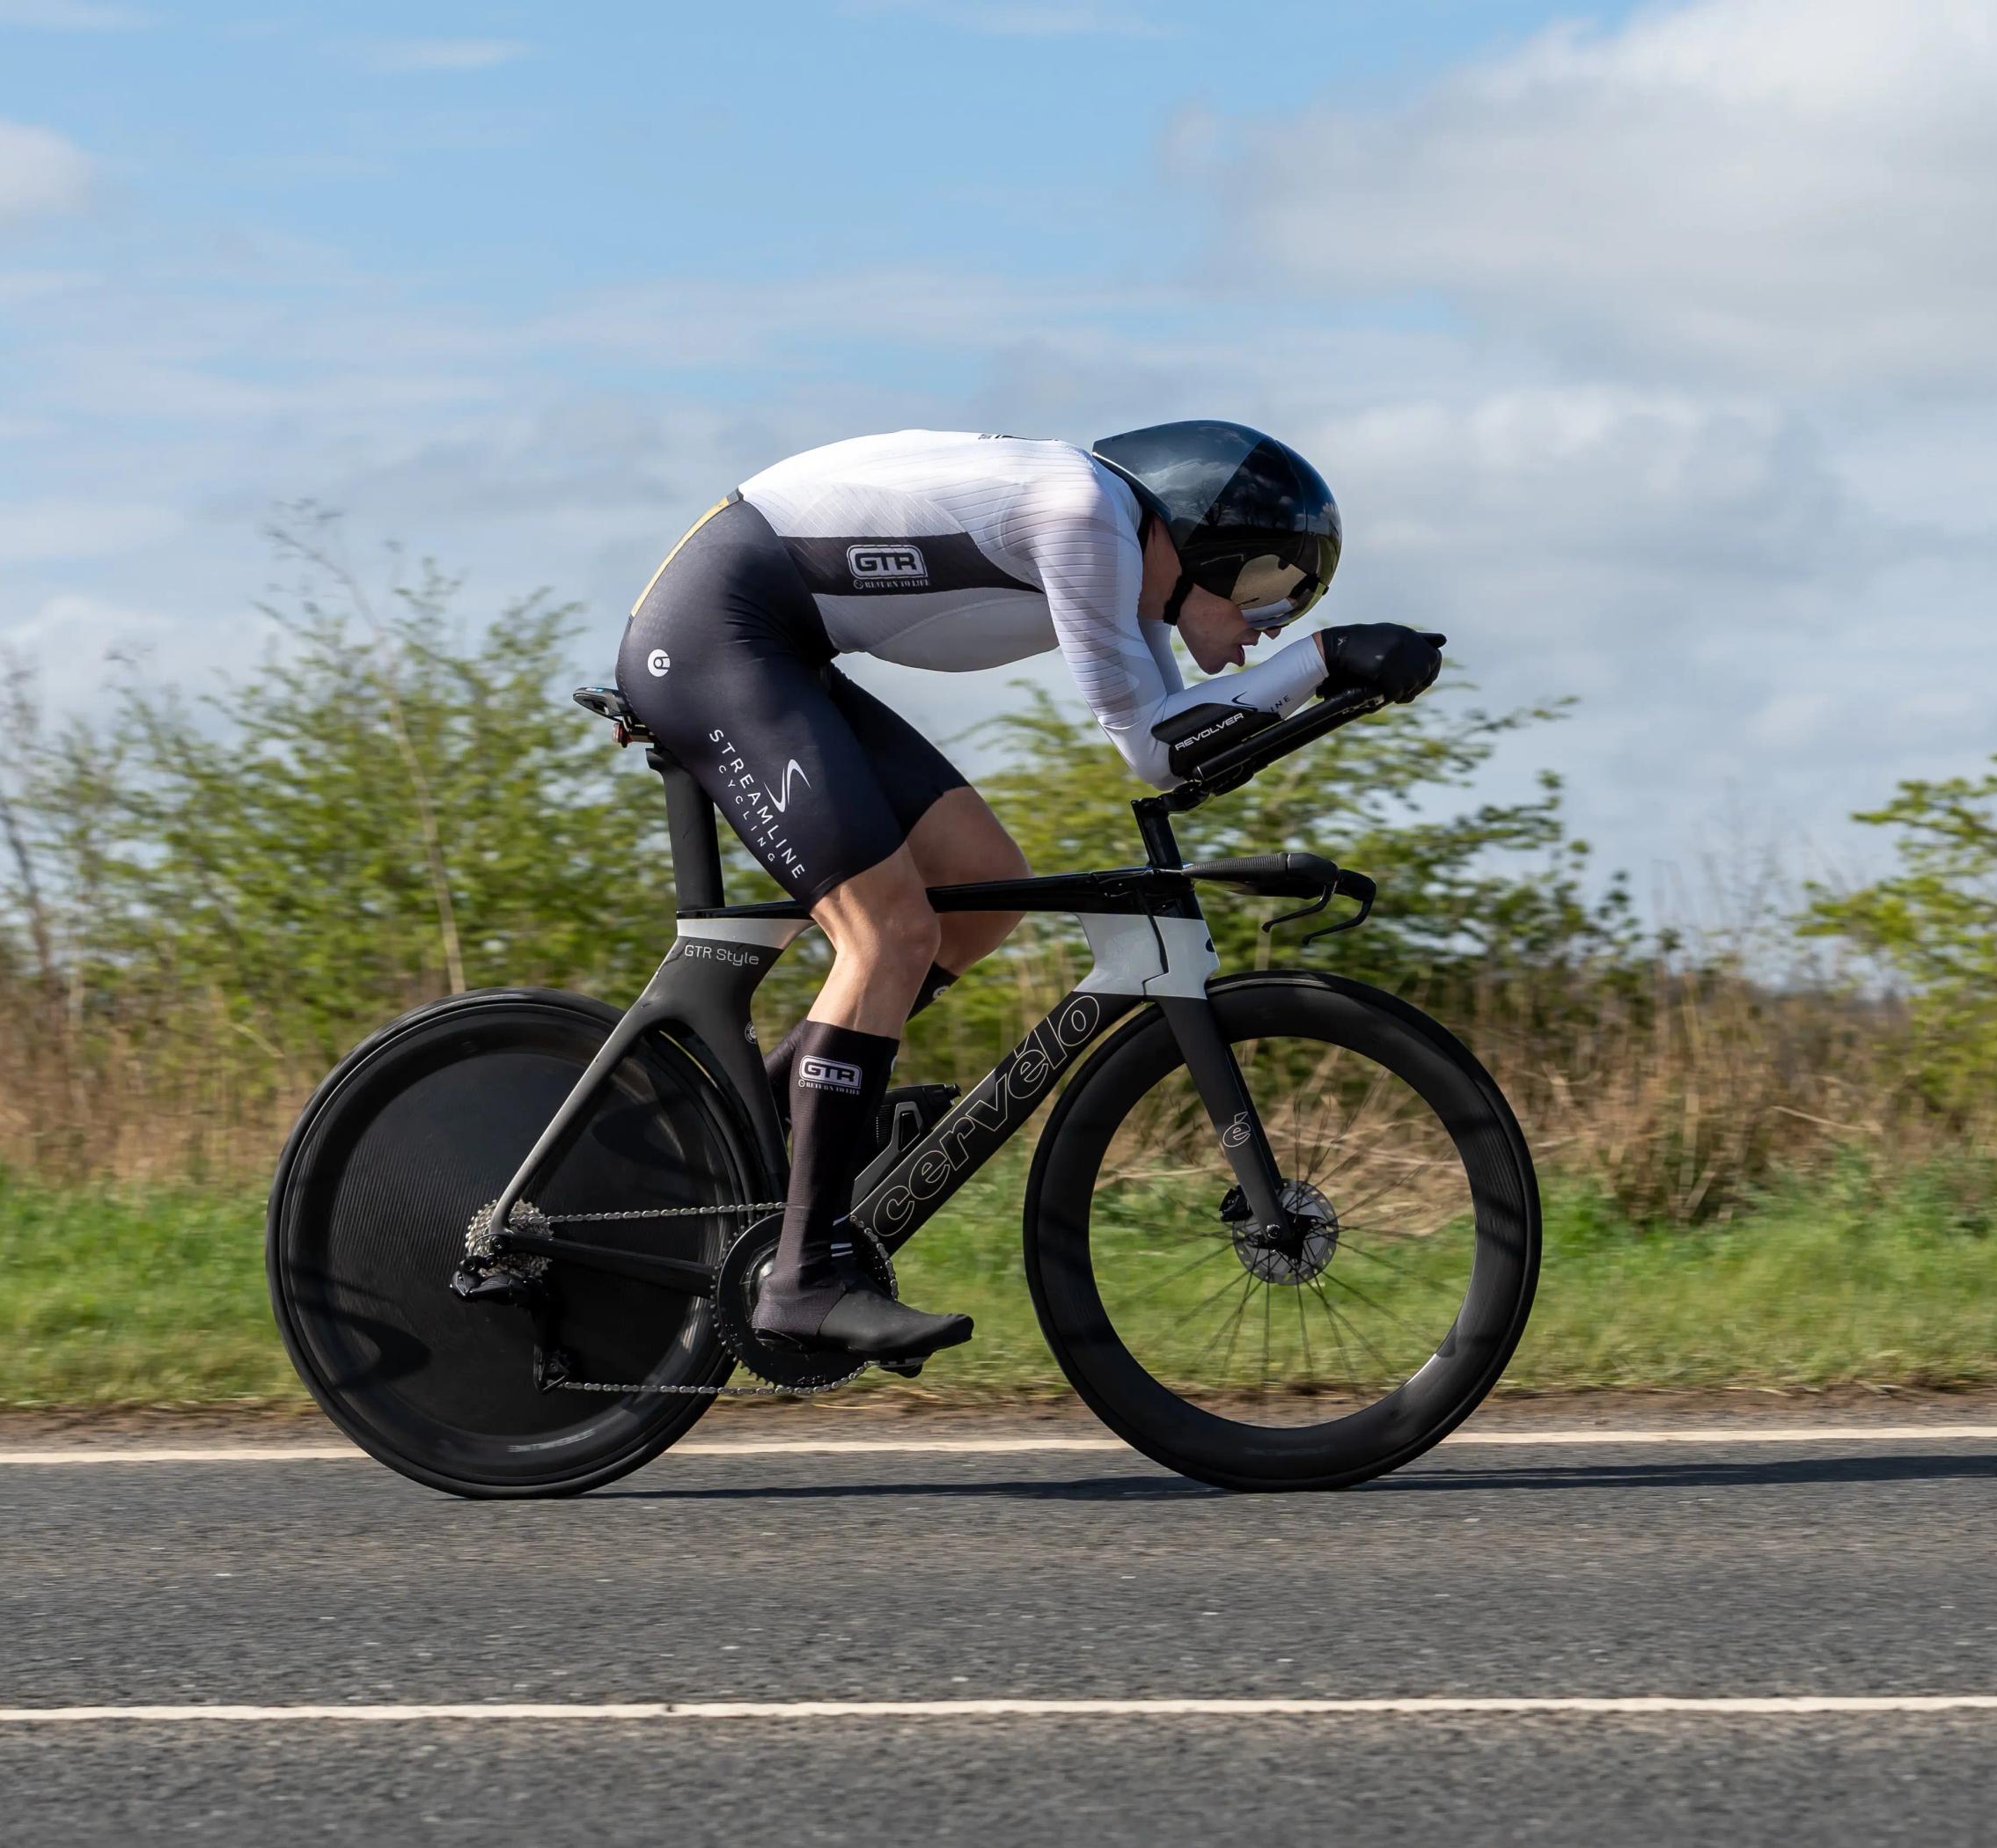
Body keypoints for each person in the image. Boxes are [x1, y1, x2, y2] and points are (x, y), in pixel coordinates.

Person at [615, 422, 1443, 1365]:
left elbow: (1176, 753)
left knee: (982, 890)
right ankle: (803, 1279)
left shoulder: (1126, 558)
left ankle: (759, 1139)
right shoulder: (1087, 516)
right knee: (886, 935)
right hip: (719, 638)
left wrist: (1332, 686)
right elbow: (1155, 748)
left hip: (773, 645)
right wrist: (1329, 658)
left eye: (1290, 610)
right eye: (1265, 591)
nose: (1267, 628)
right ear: (1202, 542)